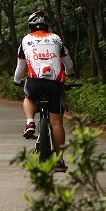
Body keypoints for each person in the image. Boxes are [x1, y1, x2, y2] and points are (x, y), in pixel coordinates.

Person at [13, 10, 74, 172]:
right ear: (47, 26)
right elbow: (68, 64)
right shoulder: (56, 39)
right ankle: (59, 161)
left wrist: (17, 81)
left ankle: (30, 122)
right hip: (55, 84)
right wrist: (68, 73)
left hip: (35, 83)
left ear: (30, 27)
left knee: (28, 95)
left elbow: (20, 67)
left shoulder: (25, 40)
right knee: (56, 123)